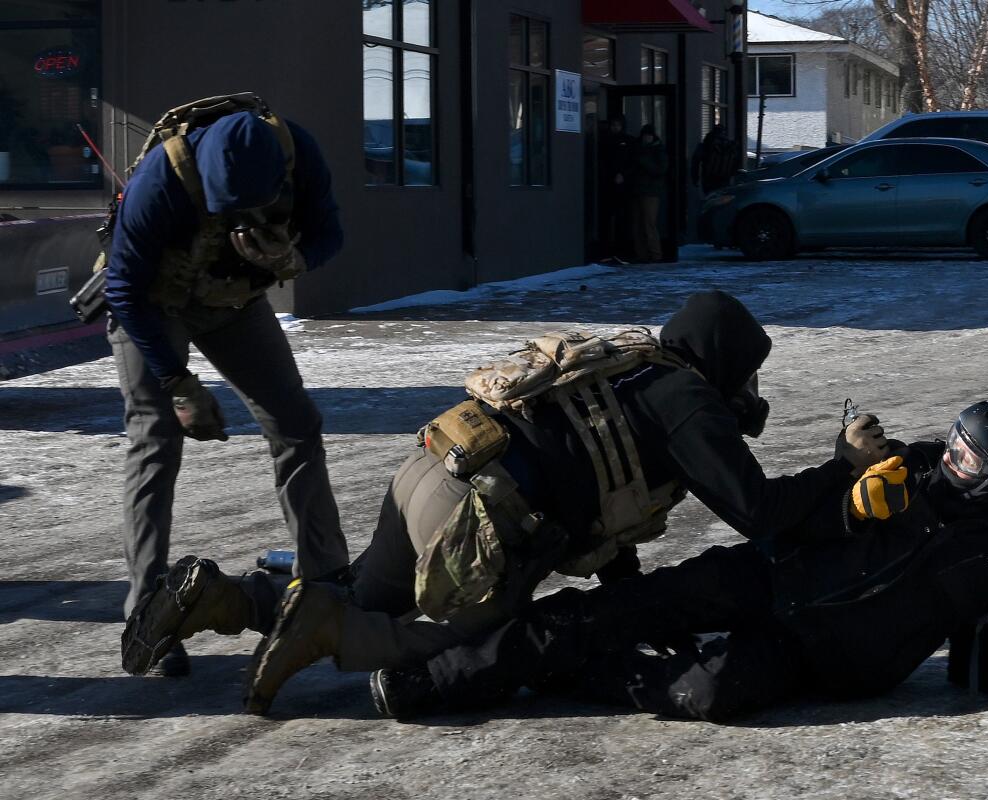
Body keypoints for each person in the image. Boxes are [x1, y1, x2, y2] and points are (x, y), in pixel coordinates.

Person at [121, 291, 890, 713]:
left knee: (360, 585)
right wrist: (840, 469)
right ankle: (325, 639)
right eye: (746, 373)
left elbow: (608, 504)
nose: (748, 392)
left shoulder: (628, 366)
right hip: (479, 522)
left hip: (433, 466)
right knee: (485, 641)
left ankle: (218, 599)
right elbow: (757, 511)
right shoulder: (690, 400)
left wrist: (635, 610)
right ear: (721, 359)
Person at [369, 400, 988, 723]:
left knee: (703, 695)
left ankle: (574, 666)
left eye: (967, 455)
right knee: (614, 608)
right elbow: (803, 520)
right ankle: (437, 678)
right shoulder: (908, 468)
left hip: (823, 661)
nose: (948, 456)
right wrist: (849, 498)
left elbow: (978, 656)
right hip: (767, 576)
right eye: (953, 440)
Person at [107, 98, 350, 677]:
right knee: (156, 442)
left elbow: (331, 235)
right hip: (152, 307)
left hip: (233, 303)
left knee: (296, 424)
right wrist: (178, 382)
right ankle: (149, 617)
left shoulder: (299, 154)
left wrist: (293, 257)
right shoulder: (160, 181)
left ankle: (329, 586)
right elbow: (122, 288)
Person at [597, 116, 635, 260]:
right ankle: (606, 250)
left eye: (618, 125)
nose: (615, 128)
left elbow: (633, 162)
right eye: (613, 125)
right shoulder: (605, 141)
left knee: (622, 219)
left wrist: (623, 174)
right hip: (607, 185)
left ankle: (622, 251)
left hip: (623, 187)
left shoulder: (629, 141)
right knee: (606, 219)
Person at [630, 124, 668, 263]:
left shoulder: (657, 150)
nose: (646, 138)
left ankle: (655, 254)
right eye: (645, 136)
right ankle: (643, 254)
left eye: (649, 136)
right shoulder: (640, 149)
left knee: (648, 224)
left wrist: (643, 161)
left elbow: (660, 169)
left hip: (651, 192)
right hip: (640, 190)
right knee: (639, 225)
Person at [690, 123, 739, 196]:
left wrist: (695, 178)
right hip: (724, 179)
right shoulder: (730, 145)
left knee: (710, 199)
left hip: (709, 179)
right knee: (723, 200)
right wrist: (733, 175)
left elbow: (695, 162)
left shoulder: (706, 144)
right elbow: (736, 162)